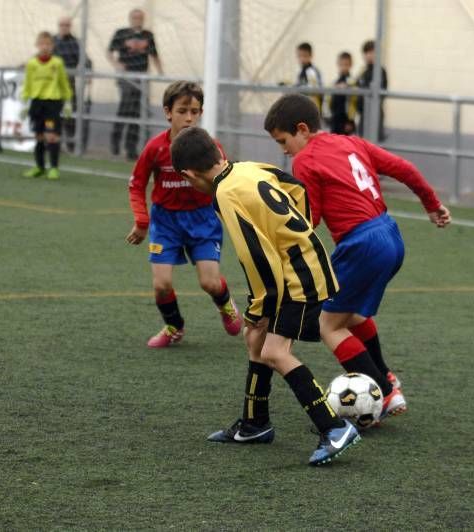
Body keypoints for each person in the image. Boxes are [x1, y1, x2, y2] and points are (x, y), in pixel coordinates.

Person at [170, 126, 361, 466]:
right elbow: (295, 187)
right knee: (255, 339)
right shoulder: (246, 167)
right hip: (301, 264)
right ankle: (254, 424)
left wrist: (260, 306)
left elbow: (258, 257)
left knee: (274, 351)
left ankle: (334, 427)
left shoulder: (224, 193)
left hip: (297, 278)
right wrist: (298, 230)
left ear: (189, 174)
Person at [264, 94, 452, 421]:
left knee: (327, 324)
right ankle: (386, 377)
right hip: (391, 235)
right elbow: (405, 169)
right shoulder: (353, 142)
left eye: (283, 141)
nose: (284, 150)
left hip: (361, 243)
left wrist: (279, 231)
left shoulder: (304, 160)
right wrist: (432, 204)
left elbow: (313, 218)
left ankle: (383, 391)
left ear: (303, 129)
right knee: (350, 316)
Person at [125, 81, 242, 347]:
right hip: (166, 222)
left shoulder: (209, 147)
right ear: (168, 112)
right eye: (182, 111)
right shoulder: (155, 148)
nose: (189, 117)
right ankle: (174, 327)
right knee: (161, 284)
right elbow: (136, 184)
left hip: (202, 220)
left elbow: (227, 183)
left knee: (210, 283)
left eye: (195, 111)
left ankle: (225, 304)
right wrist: (142, 221)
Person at [107, 8, 163, 160]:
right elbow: (109, 52)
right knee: (125, 108)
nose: (137, 20)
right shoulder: (121, 33)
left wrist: (160, 73)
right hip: (126, 78)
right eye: (135, 17)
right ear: (130, 18)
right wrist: (117, 64)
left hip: (141, 78)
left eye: (140, 17)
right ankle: (115, 140)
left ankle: (131, 147)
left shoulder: (148, 35)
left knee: (137, 111)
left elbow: (154, 55)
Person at [20, 32, 72, 180]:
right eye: (42, 44)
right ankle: (39, 167)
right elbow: (28, 83)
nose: (45, 47)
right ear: (37, 45)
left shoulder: (57, 63)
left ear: (52, 46)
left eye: (48, 44)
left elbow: (63, 83)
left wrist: (67, 101)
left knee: (52, 136)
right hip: (37, 104)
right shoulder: (32, 63)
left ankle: (54, 168)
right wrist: (24, 103)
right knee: (39, 136)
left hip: (52, 104)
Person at [53, 16, 92, 153]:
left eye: (67, 25)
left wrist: (88, 73)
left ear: (70, 27)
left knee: (70, 114)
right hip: (51, 84)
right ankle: (53, 143)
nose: (64, 27)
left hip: (68, 83)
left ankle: (71, 145)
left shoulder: (75, 43)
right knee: (52, 113)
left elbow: (86, 61)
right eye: (62, 25)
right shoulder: (52, 41)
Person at [356, 40, 388, 141]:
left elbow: (380, 93)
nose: (369, 55)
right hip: (362, 114)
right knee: (362, 144)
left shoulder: (380, 71)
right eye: (366, 52)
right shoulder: (363, 71)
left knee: (374, 145)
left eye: (372, 52)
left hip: (375, 114)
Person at [329, 51, 357, 135]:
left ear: (351, 65)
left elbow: (353, 103)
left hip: (346, 121)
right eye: (341, 64)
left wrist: (350, 121)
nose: (343, 67)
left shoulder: (352, 81)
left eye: (346, 64)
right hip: (335, 118)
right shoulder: (336, 81)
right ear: (337, 64)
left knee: (345, 145)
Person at [294, 42, 323, 112]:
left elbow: (314, 89)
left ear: (311, 56)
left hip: (312, 107)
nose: (302, 59)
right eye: (300, 56)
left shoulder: (312, 71)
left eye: (305, 56)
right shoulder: (300, 71)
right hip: (302, 105)